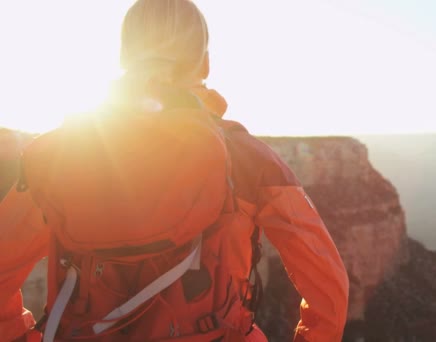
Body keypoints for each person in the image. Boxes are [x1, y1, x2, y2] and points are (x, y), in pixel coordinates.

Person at [0, 0, 349, 341]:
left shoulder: (60, 156)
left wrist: (19, 334)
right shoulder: (246, 157)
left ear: (123, 58)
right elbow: (327, 283)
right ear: (206, 64)